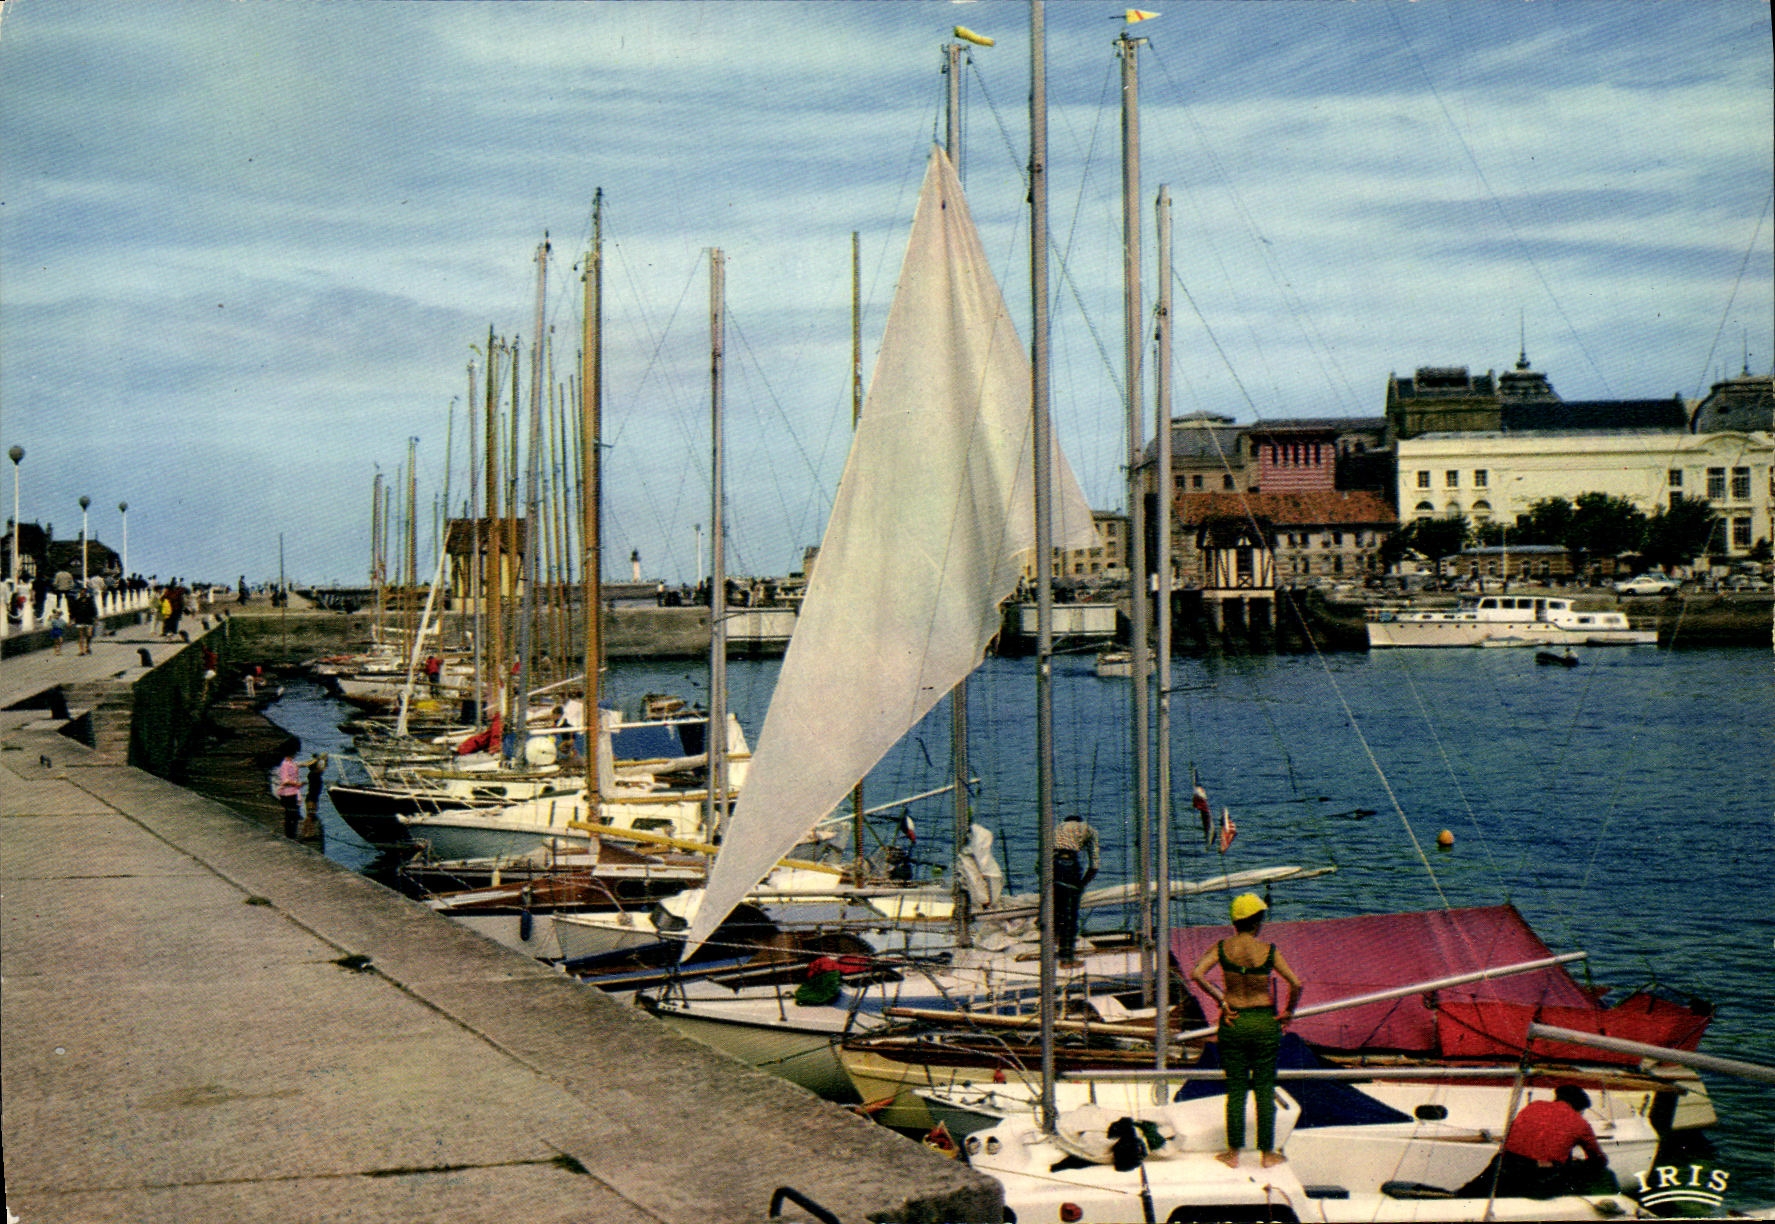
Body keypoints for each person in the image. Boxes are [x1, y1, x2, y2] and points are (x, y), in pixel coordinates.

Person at [1190, 893, 1304, 1169]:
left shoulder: (1222, 948)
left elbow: (1197, 974)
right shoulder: (1268, 950)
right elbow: (1296, 983)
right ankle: (1267, 1154)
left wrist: (1221, 1000)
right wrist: (1288, 1011)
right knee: (1265, 1088)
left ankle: (1233, 1154)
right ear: (1257, 921)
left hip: (1234, 1021)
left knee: (1236, 1089)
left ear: (1235, 922)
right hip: (1263, 1021)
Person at [1457, 1085, 1614, 1199]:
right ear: (1580, 1108)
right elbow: (1599, 1160)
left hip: (1502, 1165)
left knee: (1469, 1194)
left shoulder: (1533, 1106)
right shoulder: (1580, 1123)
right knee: (1603, 1175)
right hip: (1536, 1177)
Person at [1052, 812, 1100, 966]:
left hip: (1051, 864)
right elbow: (1094, 865)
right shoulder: (1089, 829)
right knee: (1070, 914)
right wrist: (1082, 885)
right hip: (1069, 865)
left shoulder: (1056, 828)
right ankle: (1066, 958)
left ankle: (1051, 948)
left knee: (1056, 911)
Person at [272, 741, 303, 838]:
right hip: (287, 793)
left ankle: (292, 834)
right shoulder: (285, 764)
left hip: (293, 792)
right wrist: (297, 783)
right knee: (291, 815)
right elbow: (285, 780)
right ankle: (290, 835)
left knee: (293, 815)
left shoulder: (291, 763)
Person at [69, 586, 98, 655]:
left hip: (89, 619)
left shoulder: (90, 601)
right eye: (81, 592)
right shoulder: (77, 601)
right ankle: (81, 650)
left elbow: (94, 610)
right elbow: (73, 611)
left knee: (89, 634)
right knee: (81, 636)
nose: (83, 593)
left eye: (84, 592)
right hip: (80, 619)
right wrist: (71, 620)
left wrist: (95, 619)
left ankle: (87, 646)